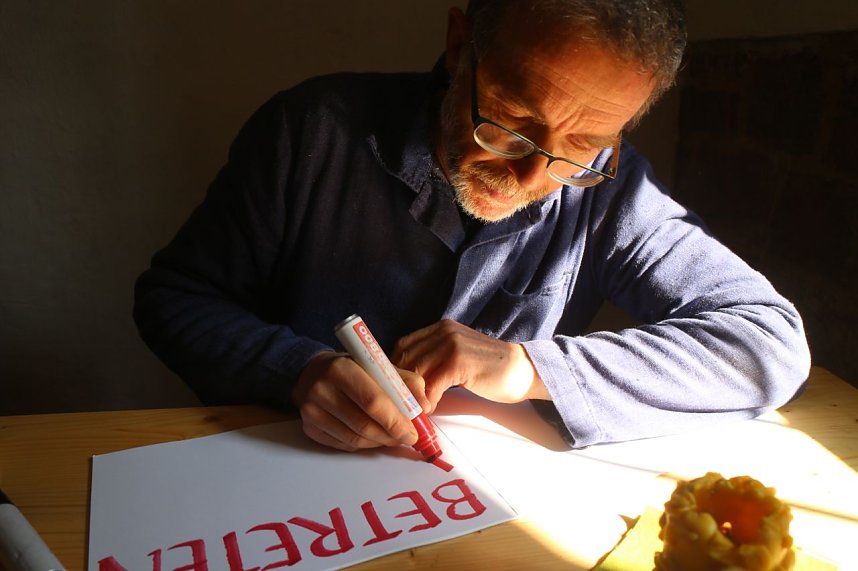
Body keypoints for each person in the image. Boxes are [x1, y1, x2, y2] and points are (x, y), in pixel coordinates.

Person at [134, 0, 810, 452]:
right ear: (460, 46)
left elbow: (766, 342)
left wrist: (529, 367)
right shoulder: (311, 132)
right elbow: (175, 297)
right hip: (292, 491)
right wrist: (295, 369)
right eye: (511, 124)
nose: (530, 176)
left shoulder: (611, 190)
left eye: (580, 148)